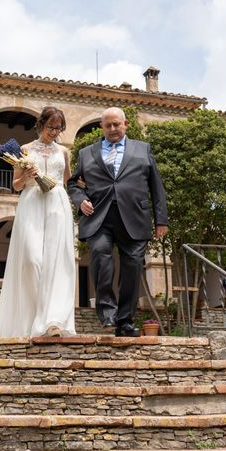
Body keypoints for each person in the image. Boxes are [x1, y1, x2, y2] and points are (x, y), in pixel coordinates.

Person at [67, 107, 168, 337]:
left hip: (135, 217)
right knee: (101, 258)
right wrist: (81, 200)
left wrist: (161, 219)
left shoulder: (143, 149)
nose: (112, 129)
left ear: (126, 124)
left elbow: (156, 186)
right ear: (101, 127)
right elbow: (73, 184)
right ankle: (108, 315)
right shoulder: (86, 153)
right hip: (99, 218)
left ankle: (125, 321)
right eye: (108, 125)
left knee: (132, 268)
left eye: (116, 124)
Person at [0, 106, 76, 338]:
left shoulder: (64, 152)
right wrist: (27, 176)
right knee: (31, 259)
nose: (54, 132)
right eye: (51, 127)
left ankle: (53, 320)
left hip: (57, 205)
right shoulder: (24, 150)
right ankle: (30, 318)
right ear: (41, 125)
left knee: (56, 262)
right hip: (31, 204)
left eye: (59, 128)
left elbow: (67, 182)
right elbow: (15, 185)